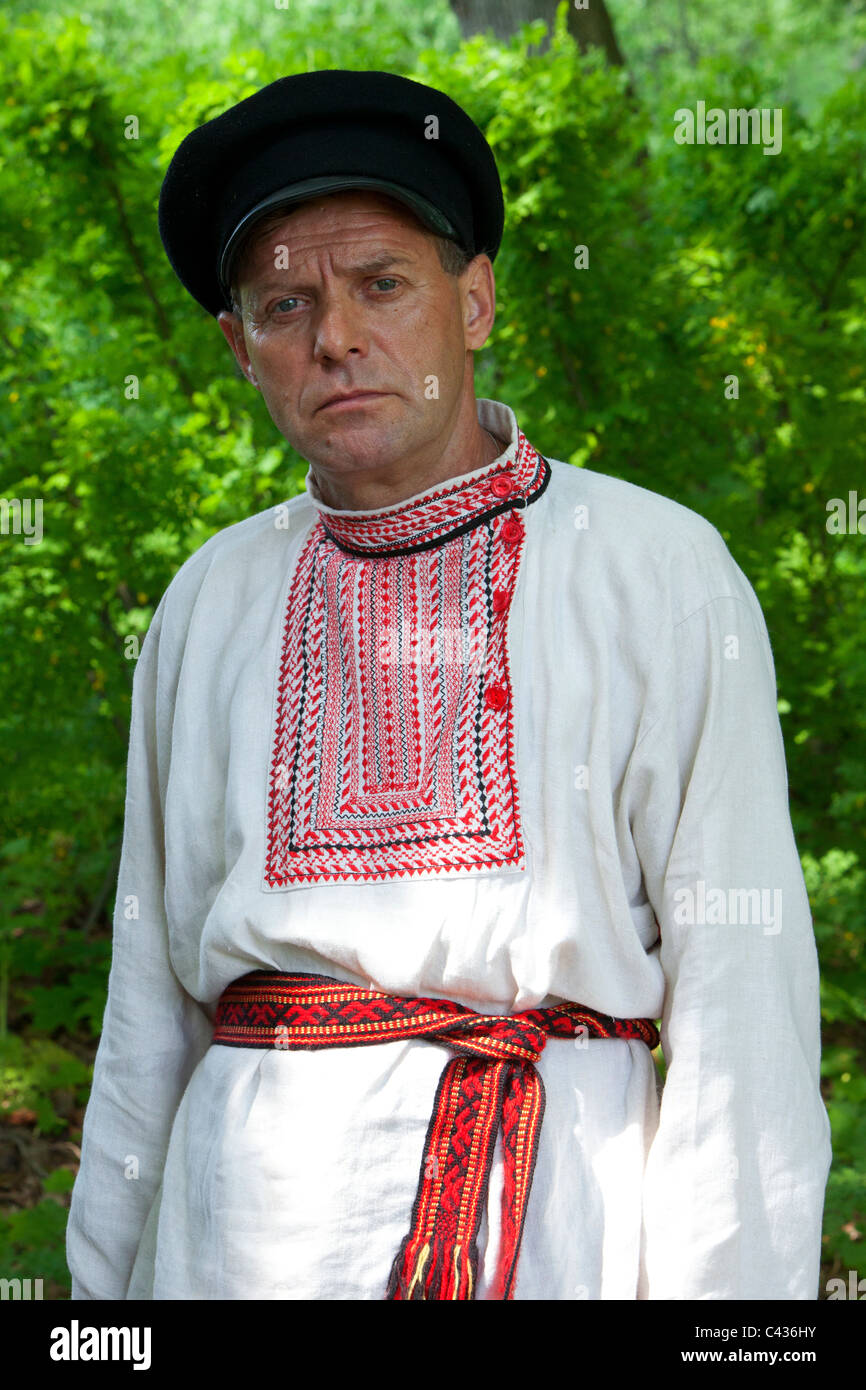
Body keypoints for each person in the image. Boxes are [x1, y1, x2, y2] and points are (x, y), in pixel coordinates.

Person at [65, 68, 831, 1300]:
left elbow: (742, 1005)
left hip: (554, 1231)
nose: (335, 338)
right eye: (282, 304)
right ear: (237, 345)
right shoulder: (208, 600)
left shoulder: (654, 570)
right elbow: (147, 1005)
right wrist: (108, 1299)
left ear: (471, 301)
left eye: (382, 285)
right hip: (237, 1247)